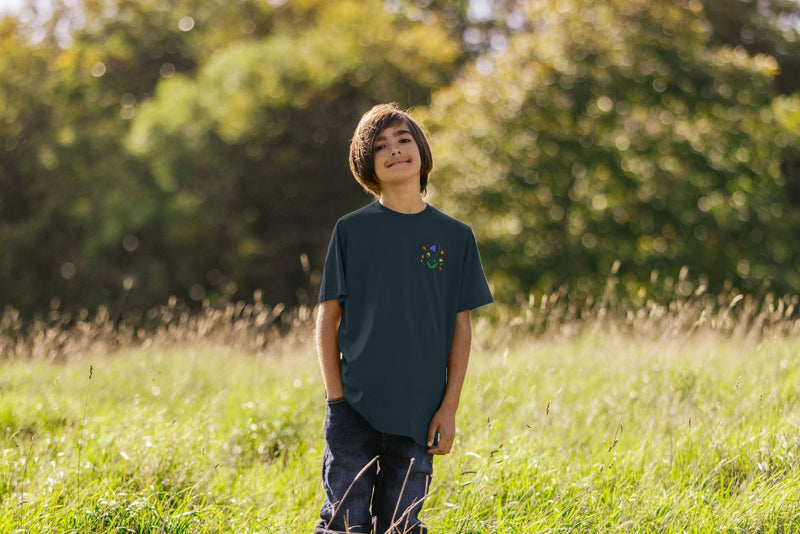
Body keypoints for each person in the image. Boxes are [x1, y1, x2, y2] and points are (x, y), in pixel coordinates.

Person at [314, 103, 493, 534]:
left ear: (421, 152)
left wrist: (448, 408)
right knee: (343, 523)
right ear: (366, 164)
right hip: (353, 406)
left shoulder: (455, 236)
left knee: (400, 525)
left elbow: (460, 328)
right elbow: (327, 318)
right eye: (380, 146)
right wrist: (336, 401)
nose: (394, 150)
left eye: (403, 140)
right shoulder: (352, 231)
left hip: (420, 410)